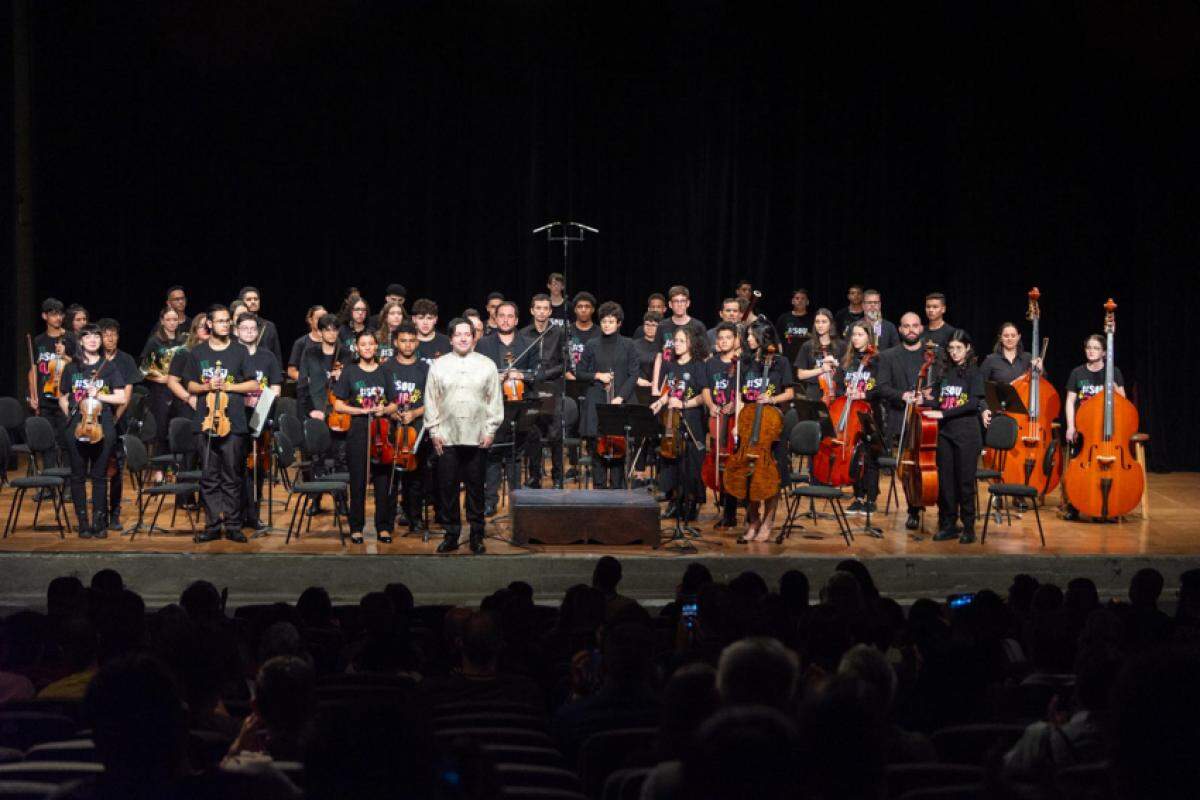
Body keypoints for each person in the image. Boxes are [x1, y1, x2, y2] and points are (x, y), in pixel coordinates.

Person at [425, 318, 503, 554]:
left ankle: (476, 535)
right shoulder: (438, 365)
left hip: (476, 436)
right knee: (447, 489)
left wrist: (490, 430)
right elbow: (431, 399)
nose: (462, 338)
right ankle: (451, 534)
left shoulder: (487, 364)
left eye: (467, 334)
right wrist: (434, 430)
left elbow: (494, 400)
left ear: (473, 337)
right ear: (450, 338)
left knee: (475, 489)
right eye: (458, 334)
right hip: (447, 437)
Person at [183, 305, 259, 543]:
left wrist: (227, 386)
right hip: (205, 422)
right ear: (209, 324)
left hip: (233, 422)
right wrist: (207, 387)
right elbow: (190, 386)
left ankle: (234, 525)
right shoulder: (198, 353)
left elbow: (252, 385)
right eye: (221, 321)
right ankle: (213, 525)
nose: (225, 325)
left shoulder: (239, 351)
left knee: (232, 475)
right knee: (208, 477)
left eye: (228, 321)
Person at [58, 324, 129, 538]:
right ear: (80, 341)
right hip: (77, 425)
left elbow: (122, 397)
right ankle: (83, 523)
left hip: (103, 423)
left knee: (99, 476)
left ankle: (99, 522)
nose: (92, 340)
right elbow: (62, 395)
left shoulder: (108, 367)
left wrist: (99, 396)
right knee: (78, 476)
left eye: (96, 336)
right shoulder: (72, 368)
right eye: (87, 336)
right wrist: (71, 415)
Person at [333, 330, 398, 545]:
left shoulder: (385, 371)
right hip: (358, 432)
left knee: (382, 481)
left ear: (376, 346)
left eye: (371, 344)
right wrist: (360, 411)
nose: (368, 347)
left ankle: (384, 527)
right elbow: (338, 404)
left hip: (381, 431)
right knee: (358, 482)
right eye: (363, 344)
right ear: (357, 348)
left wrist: (384, 409)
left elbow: (395, 403)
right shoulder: (350, 372)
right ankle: (357, 527)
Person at [475, 301, 539, 513]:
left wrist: (522, 374)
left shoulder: (528, 343)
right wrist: (495, 377)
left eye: (510, 316)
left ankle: (516, 501)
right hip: (492, 405)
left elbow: (536, 373)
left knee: (515, 454)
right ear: (495, 317)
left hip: (518, 405)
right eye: (501, 315)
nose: (505, 319)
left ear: (517, 320)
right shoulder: (484, 344)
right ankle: (490, 501)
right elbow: (478, 374)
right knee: (492, 452)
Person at [922, 329, 985, 542]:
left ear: (967, 348)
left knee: (964, 482)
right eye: (951, 348)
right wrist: (921, 401)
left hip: (967, 433)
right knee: (946, 482)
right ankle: (948, 524)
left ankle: (969, 527)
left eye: (959, 348)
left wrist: (943, 413)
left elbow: (973, 404)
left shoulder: (974, 373)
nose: (954, 352)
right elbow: (940, 402)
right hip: (946, 434)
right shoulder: (945, 373)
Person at [735, 323, 794, 543]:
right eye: (748, 334)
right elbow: (741, 396)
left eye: (752, 335)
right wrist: (737, 425)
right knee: (749, 476)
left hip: (772, 427)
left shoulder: (781, 362)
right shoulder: (746, 361)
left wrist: (771, 399)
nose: (748, 338)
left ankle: (769, 521)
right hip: (749, 425)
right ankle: (753, 520)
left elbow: (789, 393)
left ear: (763, 337)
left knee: (771, 478)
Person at [1061, 334, 1127, 521]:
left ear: (1105, 352)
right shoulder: (1077, 373)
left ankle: (1109, 506)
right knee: (1078, 468)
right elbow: (1070, 401)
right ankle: (1074, 505)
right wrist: (1071, 426)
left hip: (1108, 430)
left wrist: (1114, 387)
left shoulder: (1114, 371)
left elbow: (1124, 402)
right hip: (1084, 430)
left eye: (1096, 348)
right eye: (1088, 347)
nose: (1091, 351)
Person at [576, 302, 640, 489]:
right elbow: (580, 372)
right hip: (596, 400)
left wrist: (620, 396)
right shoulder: (592, 344)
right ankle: (599, 490)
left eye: (611, 321)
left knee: (619, 448)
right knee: (597, 448)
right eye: (604, 321)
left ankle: (617, 491)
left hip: (619, 401)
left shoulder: (629, 345)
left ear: (618, 323)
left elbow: (633, 374)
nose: (607, 325)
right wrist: (597, 375)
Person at [876, 312, 929, 530]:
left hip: (927, 419)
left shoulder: (932, 355)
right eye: (906, 326)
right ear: (899, 329)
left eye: (915, 326)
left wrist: (926, 395)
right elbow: (882, 387)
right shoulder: (888, 356)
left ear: (921, 328)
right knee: (908, 469)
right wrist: (903, 396)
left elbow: (940, 383)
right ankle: (913, 509)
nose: (911, 330)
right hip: (900, 418)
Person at [650, 326, 708, 520]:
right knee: (672, 461)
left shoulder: (699, 365)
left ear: (690, 343)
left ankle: (691, 503)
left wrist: (683, 403)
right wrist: (660, 402)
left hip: (691, 419)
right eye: (675, 341)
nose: (677, 344)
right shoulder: (672, 365)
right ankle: (675, 501)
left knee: (691, 463)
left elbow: (703, 396)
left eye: (681, 341)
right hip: (672, 420)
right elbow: (670, 389)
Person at [235, 313, 283, 535]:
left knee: (257, 469)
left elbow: (275, 388)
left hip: (260, 415)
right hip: (236, 416)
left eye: (253, 329)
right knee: (236, 467)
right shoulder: (232, 355)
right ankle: (236, 514)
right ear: (236, 331)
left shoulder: (268, 357)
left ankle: (253, 514)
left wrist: (261, 413)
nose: (249, 332)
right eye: (244, 328)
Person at [383, 322, 430, 536]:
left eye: (412, 340)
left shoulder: (425, 368)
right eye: (403, 340)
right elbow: (380, 398)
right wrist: (392, 413)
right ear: (395, 342)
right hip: (391, 430)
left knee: (416, 478)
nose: (408, 345)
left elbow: (433, 400)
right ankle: (387, 520)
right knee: (390, 477)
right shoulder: (386, 367)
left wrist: (415, 413)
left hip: (416, 429)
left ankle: (415, 519)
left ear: (417, 342)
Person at [98, 318, 142, 532]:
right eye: (106, 334)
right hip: (94, 421)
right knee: (98, 470)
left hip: (118, 421)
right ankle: (99, 513)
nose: (110, 338)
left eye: (114, 334)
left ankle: (114, 514)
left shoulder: (125, 360)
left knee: (116, 470)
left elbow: (127, 393)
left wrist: (115, 418)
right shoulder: (93, 359)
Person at [836, 321, 884, 515]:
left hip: (870, 413)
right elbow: (839, 385)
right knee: (854, 456)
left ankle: (871, 498)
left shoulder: (878, 361)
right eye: (854, 335)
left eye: (860, 335)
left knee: (870, 456)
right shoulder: (848, 360)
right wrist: (845, 390)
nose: (856, 338)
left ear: (869, 337)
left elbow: (882, 387)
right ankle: (858, 497)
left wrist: (864, 395)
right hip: (850, 412)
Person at [520, 293, 567, 487]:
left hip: (552, 388)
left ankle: (557, 477)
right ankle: (534, 477)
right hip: (531, 389)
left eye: (545, 308)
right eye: (537, 308)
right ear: (532, 310)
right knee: (533, 434)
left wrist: (544, 374)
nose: (541, 311)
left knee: (555, 434)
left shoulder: (558, 332)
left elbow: (565, 364)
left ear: (550, 311)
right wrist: (531, 375)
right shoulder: (523, 334)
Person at [28, 298, 74, 474]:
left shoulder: (70, 338)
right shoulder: (38, 341)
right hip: (45, 398)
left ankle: (69, 486)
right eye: (53, 314)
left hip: (64, 399)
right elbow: (33, 370)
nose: (58, 318)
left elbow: (79, 366)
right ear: (44, 316)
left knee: (67, 443)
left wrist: (65, 356)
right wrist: (33, 396)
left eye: (60, 314)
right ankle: (49, 487)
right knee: (48, 444)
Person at [702, 321, 741, 529]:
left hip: (734, 419)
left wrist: (735, 405)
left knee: (733, 461)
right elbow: (706, 388)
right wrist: (711, 405)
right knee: (719, 459)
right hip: (717, 417)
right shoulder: (711, 363)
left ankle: (732, 508)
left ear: (736, 340)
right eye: (721, 338)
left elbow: (744, 391)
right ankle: (724, 500)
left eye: (728, 338)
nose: (724, 341)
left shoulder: (741, 362)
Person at [139, 306, 187, 467]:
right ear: (162, 321)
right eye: (168, 319)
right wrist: (161, 379)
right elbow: (144, 369)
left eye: (175, 319)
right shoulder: (155, 341)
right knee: (161, 429)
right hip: (160, 391)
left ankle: (177, 466)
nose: (172, 323)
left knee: (178, 427)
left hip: (179, 389)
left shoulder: (184, 340)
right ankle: (159, 468)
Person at [980, 321, 1043, 427]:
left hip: (1024, 414)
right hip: (999, 414)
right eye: (1006, 336)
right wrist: (984, 409)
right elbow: (980, 388)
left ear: (1019, 337)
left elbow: (1041, 384)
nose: (1010, 339)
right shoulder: (990, 360)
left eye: (1013, 336)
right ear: (1000, 338)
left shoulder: (1028, 358)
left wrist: (1040, 370)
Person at [652, 285, 707, 390]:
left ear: (688, 303)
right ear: (670, 304)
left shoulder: (698, 326)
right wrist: (655, 386)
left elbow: (705, 356)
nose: (679, 305)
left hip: (690, 379)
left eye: (682, 301)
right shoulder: (662, 326)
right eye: (676, 301)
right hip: (666, 379)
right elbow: (659, 357)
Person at [793, 307, 844, 402]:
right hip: (814, 395)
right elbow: (800, 375)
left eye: (824, 322)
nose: (820, 325)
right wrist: (821, 369)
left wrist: (836, 365)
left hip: (838, 393)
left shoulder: (841, 345)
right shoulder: (807, 346)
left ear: (831, 324)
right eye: (817, 322)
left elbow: (847, 371)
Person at [237, 286, 284, 366]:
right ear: (241, 302)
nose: (253, 302)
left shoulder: (269, 326)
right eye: (249, 300)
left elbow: (277, 354)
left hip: (265, 370)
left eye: (256, 299)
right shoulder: (236, 325)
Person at [287, 304, 326, 383]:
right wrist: (308, 380)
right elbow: (291, 371)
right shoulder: (301, 343)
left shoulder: (334, 342)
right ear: (310, 320)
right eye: (319, 318)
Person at [565, 291, 599, 379]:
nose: (583, 310)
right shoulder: (565, 331)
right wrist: (567, 374)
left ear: (593, 309)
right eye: (580, 307)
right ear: (575, 310)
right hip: (571, 381)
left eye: (587, 306)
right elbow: (559, 358)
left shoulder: (600, 333)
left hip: (595, 381)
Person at [776, 288, 814, 363]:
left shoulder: (813, 319)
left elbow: (817, 338)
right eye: (797, 298)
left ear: (807, 302)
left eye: (803, 298)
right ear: (792, 301)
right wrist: (780, 353)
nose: (800, 301)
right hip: (788, 359)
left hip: (807, 359)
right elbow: (777, 337)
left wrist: (807, 334)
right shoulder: (784, 318)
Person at [411, 298, 451, 366]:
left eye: (429, 318)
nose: (425, 322)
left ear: (435, 319)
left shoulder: (447, 342)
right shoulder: (408, 343)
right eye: (421, 318)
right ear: (414, 319)